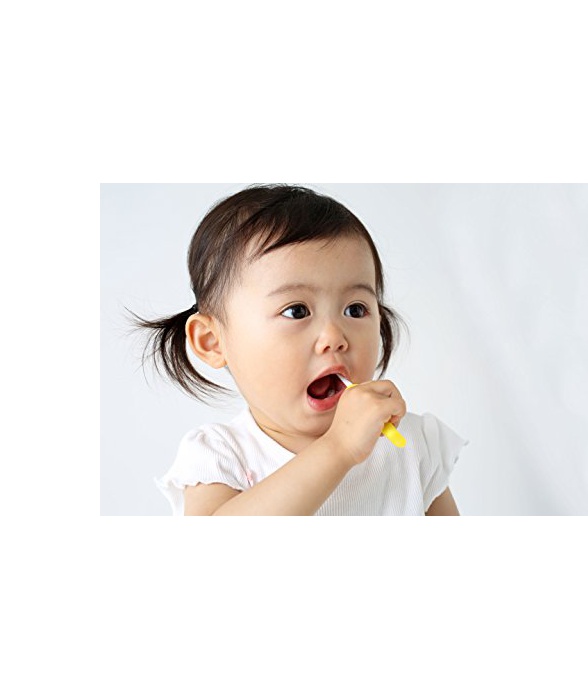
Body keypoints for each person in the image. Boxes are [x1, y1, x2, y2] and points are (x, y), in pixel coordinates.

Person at [129, 184, 467, 515]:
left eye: (355, 309)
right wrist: (338, 449)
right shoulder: (219, 457)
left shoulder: (412, 447)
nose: (334, 337)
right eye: (296, 311)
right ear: (212, 341)